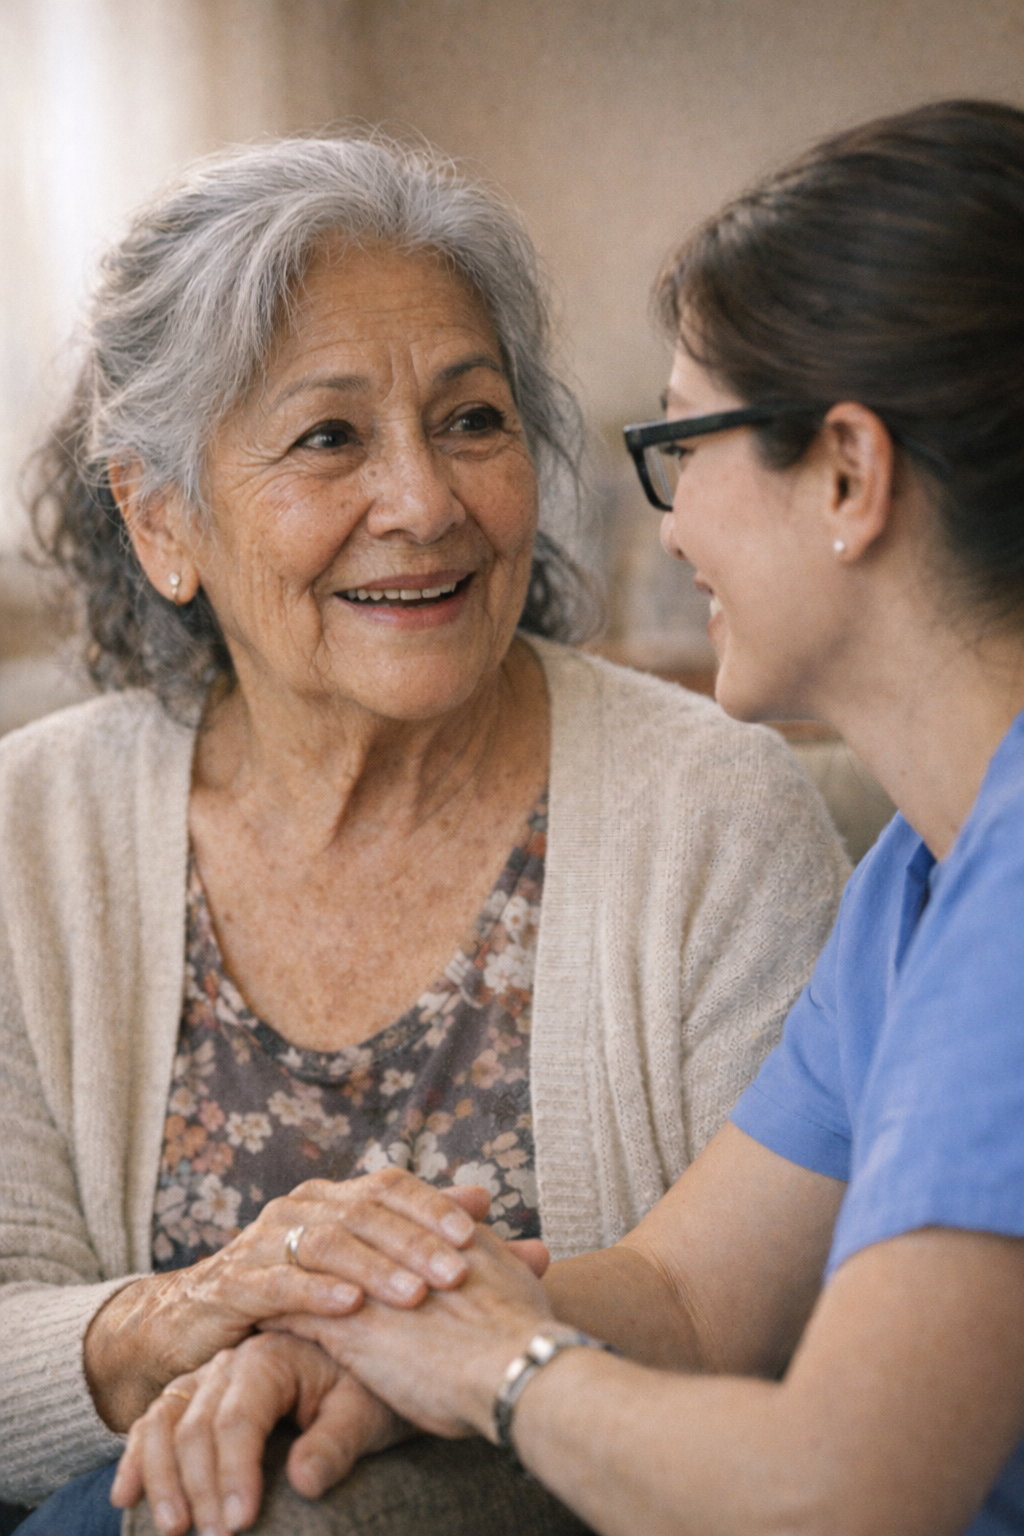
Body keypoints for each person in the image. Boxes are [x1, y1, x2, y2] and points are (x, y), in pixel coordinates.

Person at [154, 100, 1024, 1536]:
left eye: (684, 444)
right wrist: (364, 1333)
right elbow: (686, 1294)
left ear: (852, 477)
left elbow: (838, 1491)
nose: (669, 530)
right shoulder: (921, 886)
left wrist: (501, 1365)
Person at [0, 135, 848, 1533]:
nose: (428, 502)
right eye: (331, 438)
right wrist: (183, 1322)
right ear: (163, 520)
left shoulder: (716, 811)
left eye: (471, 420)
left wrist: (344, 1350)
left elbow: (793, 1333)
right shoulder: (31, 841)